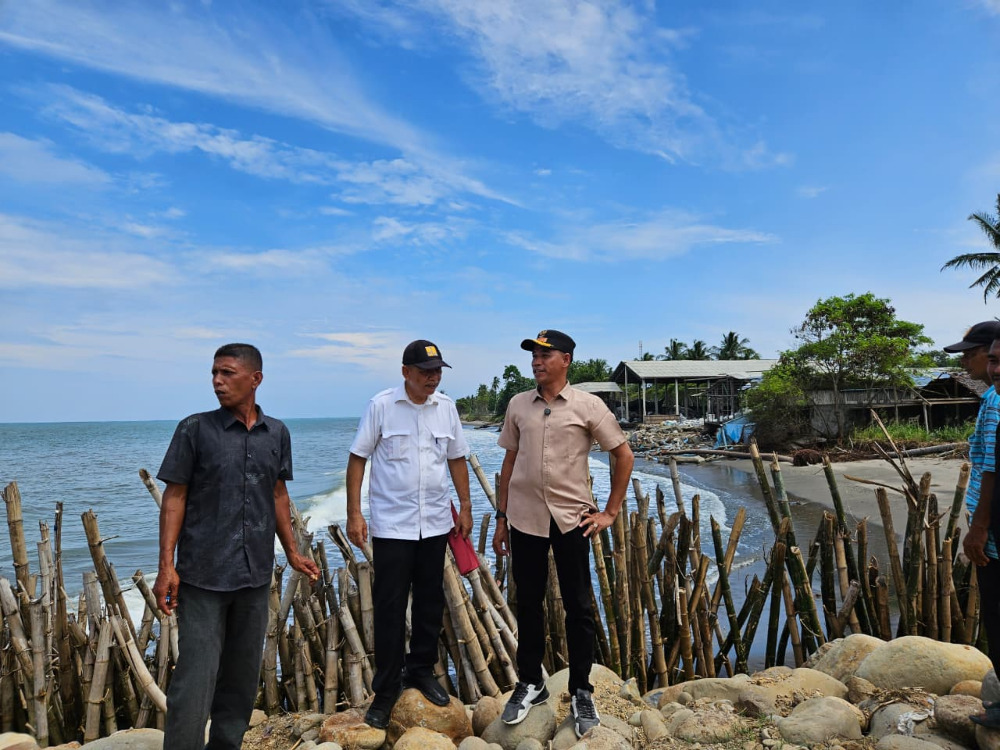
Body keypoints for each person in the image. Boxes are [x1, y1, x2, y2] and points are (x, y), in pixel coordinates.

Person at [152, 343, 320, 750]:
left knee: (241, 679)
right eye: (214, 373)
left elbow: (278, 494)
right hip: (203, 577)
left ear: (255, 379)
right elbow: (175, 498)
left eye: (227, 373)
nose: (217, 381)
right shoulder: (194, 429)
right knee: (195, 677)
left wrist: (292, 551)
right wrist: (166, 566)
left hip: (254, 576)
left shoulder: (276, 433)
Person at [492, 329, 634, 738]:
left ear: (566, 360)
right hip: (524, 518)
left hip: (572, 518)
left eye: (545, 354)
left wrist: (610, 512)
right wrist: (501, 518)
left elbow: (623, 454)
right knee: (528, 602)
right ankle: (530, 683)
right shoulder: (518, 404)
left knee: (579, 606)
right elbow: (509, 463)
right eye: (534, 355)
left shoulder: (588, 405)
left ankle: (581, 690)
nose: (536, 361)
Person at [347, 339, 473, 729]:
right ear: (406, 372)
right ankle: (386, 690)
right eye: (425, 372)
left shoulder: (446, 408)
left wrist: (466, 506)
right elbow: (358, 458)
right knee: (389, 607)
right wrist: (354, 513)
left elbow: (456, 458)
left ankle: (421, 670)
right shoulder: (381, 406)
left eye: (437, 372)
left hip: (434, 522)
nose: (432, 378)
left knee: (430, 603)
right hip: (392, 526)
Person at [960, 324, 1000, 728]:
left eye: (972, 354)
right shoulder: (991, 397)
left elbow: (991, 466)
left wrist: (980, 526)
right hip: (989, 524)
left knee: (996, 614)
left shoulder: (995, 401)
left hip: (992, 530)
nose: (965, 362)